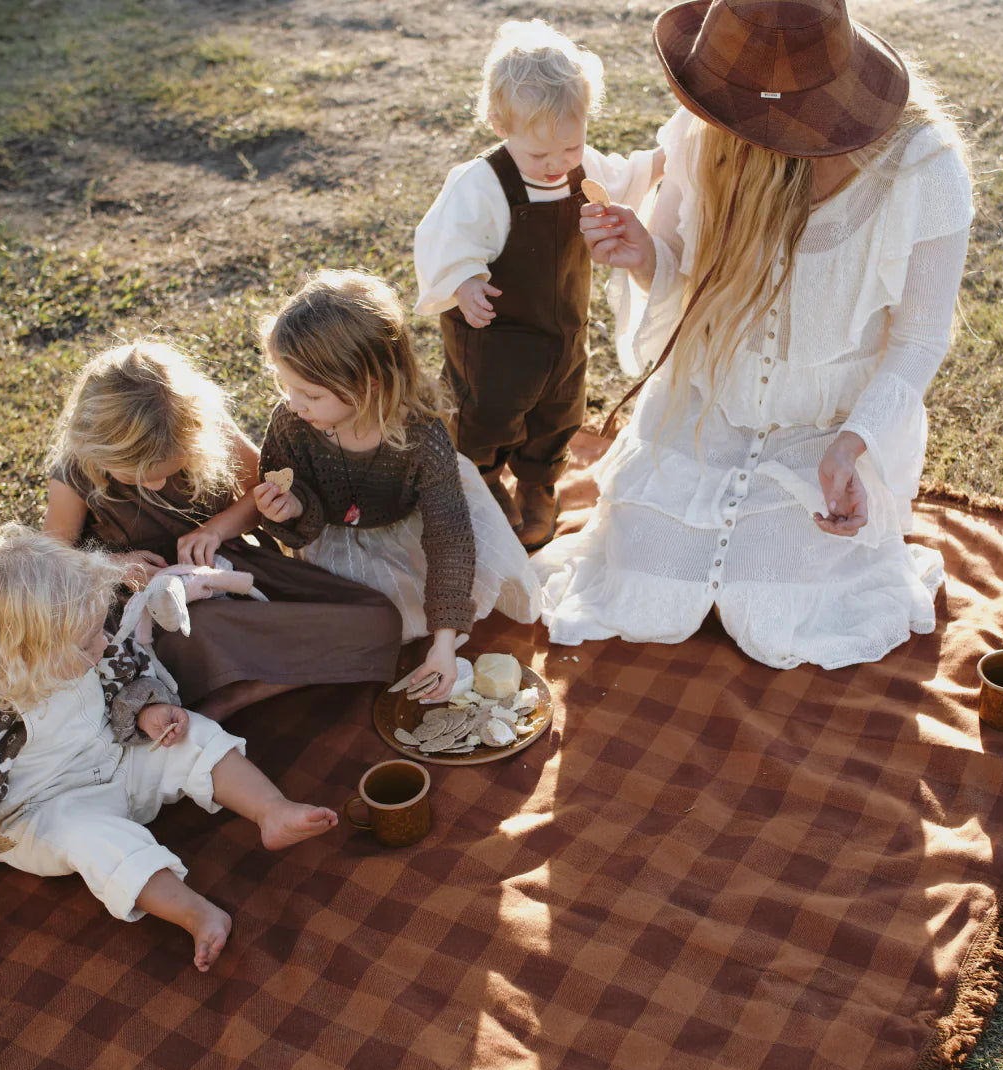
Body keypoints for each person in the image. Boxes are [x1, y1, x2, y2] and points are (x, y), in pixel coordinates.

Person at [533, 0, 975, 669]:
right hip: (709, 403)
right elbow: (678, 264)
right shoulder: (702, 130)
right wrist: (643, 254)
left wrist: (852, 447)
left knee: (785, 597)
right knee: (641, 575)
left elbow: (918, 338)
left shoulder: (924, 170)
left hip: (825, 427)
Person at [0, 526, 339, 971]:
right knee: (92, 840)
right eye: (86, 643)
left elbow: (128, 679)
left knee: (195, 735)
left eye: (98, 632)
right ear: (26, 651)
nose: (101, 645)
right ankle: (195, 912)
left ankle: (272, 810)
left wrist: (148, 712)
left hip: (118, 755)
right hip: (46, 809)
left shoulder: (88, 632)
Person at [42, 340, 402, 720]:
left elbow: (258, 492)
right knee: (202, 631)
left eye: (164, 471)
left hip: (233, 578)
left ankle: (242, 689)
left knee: (379, 619)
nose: (150, 485)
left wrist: (214, 530)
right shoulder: (76, 474)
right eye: (134, 476)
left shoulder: (202, 427)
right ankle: (243, 684)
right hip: (161, 617)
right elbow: (50, 564)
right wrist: (114, 566)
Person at [413, 18, 665, 550]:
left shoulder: (583, 167)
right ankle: (481, 477)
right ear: (502, 126)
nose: (556, 166)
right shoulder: (481, 183)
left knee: (560, 408)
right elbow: (446, 240)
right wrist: (463, 282)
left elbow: (629, 176)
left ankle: (538, 481)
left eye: (570, 149)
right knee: (489, 412)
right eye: (540, 155)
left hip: (562, 330)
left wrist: (668, 160)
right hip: (494, 334)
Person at [252, 268, 542, 702]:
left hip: (415, 525)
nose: (293, 404)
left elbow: (448, 538)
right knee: (365, 621)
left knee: (465, 574)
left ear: (368, 385)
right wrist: (293, 510)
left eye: (310, 395)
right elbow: (305, 505)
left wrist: (444, 642)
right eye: (287, 387)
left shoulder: (421, 438)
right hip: (340, 537)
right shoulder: (292, 426)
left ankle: (436, 624)